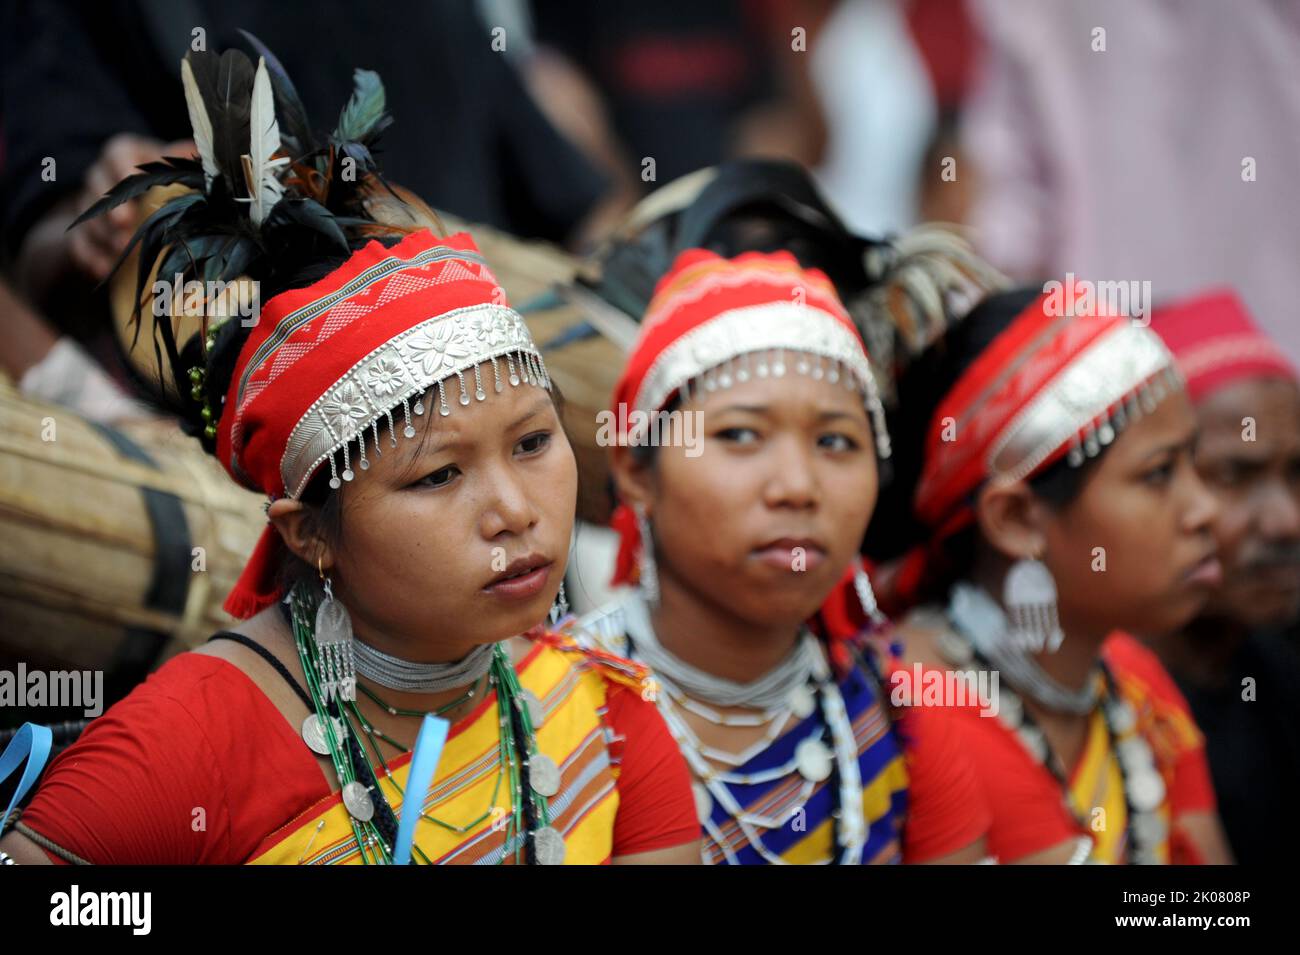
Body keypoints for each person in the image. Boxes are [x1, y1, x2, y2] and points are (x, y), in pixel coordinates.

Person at [0, 42, 698, 866]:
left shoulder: (604, 711)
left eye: (535, 441)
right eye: (439, 473)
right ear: (308, 533)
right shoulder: (188, 742)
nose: (516, 509)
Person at [574, 248, 990, 864]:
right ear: (637, 471)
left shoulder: (903, 714)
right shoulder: (552, 710)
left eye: (835, 441)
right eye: (740, 434)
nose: (797, 485)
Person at [866, 285, 1233, 863]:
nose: (1205, 509)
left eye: (1195, 462)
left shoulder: (1135, 684)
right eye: (1159, 474)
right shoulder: (915, 703)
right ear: (1014, 520)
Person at [1148, 289, 1300, 865]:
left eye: (1298, 473)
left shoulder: (1278, 672)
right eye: (1236, 474)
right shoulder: (1096, 711)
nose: (1287, 522)